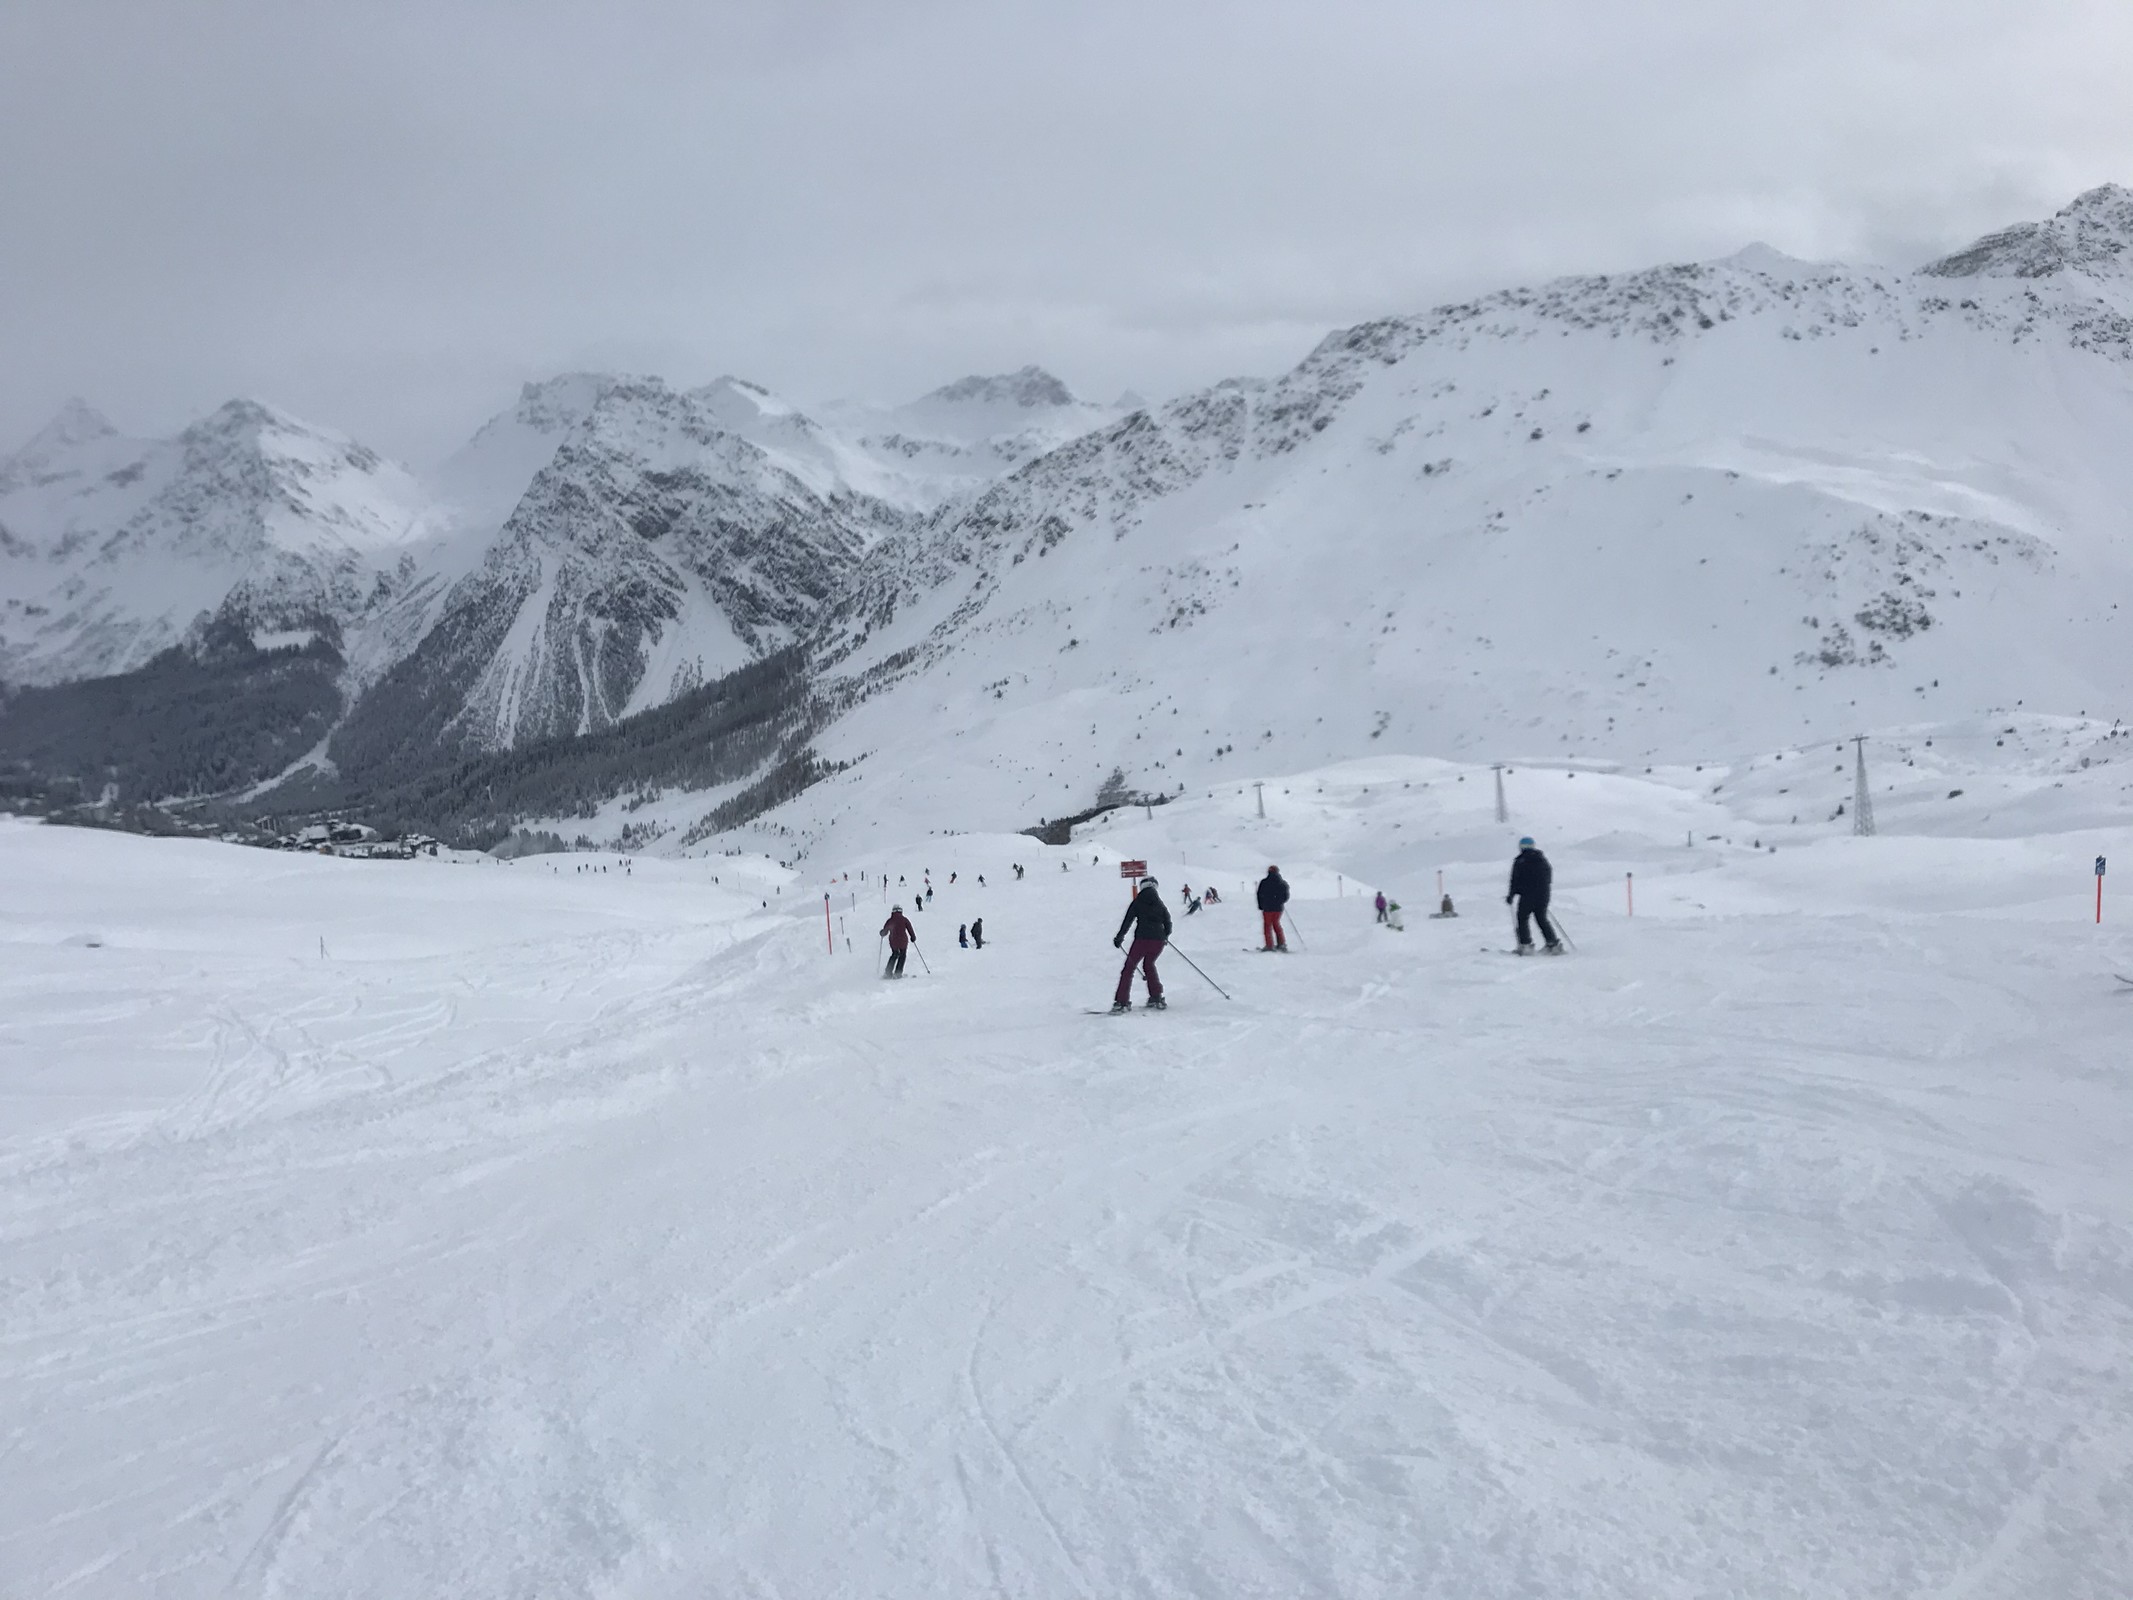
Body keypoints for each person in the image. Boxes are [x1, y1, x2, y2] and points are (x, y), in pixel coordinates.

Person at [1110, 875, 1172, 1012]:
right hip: (1158, 941)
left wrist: (1119, 937)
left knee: (1128, 969)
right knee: (1149, 965)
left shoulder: (1138, 902)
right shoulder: (1160, 903)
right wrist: (1165, 936)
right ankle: (1156, 996)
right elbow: (1168, 922)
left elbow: (1128, 921)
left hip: (1142, 940)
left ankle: (1122, 1001)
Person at [1506, 837, 1562, 954]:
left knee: (1522, 918)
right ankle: (1553, 943)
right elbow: (1548, 877)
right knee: (1541, 918)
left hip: (1527, 895)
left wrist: (1511, 895)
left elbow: (1515, 879)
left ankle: (1525, 944)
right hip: (1543, 894)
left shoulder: (1521, 861)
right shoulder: (1542, 859)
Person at [1256, 865, 1290, 951]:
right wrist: (1280, 902)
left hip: (1267, 908)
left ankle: (1269, 945)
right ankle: (1281, 943)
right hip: (1278, 909)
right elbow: (1286, 896)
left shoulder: (1264, 882)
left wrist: (1261, 905)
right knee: (1276, 924)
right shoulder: (1282, 883)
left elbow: (1259, 895)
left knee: (1267, 926)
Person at [881, 905, 917, 976]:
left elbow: (885, 931)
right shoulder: (904, 919)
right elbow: (910, 929)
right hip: (903, 940)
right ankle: (898, 972)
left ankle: (888, 972)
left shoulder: (890, 920)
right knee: (902, 955)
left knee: (894, 954)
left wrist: (882, 933)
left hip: (893, 940)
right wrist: (913, 937)